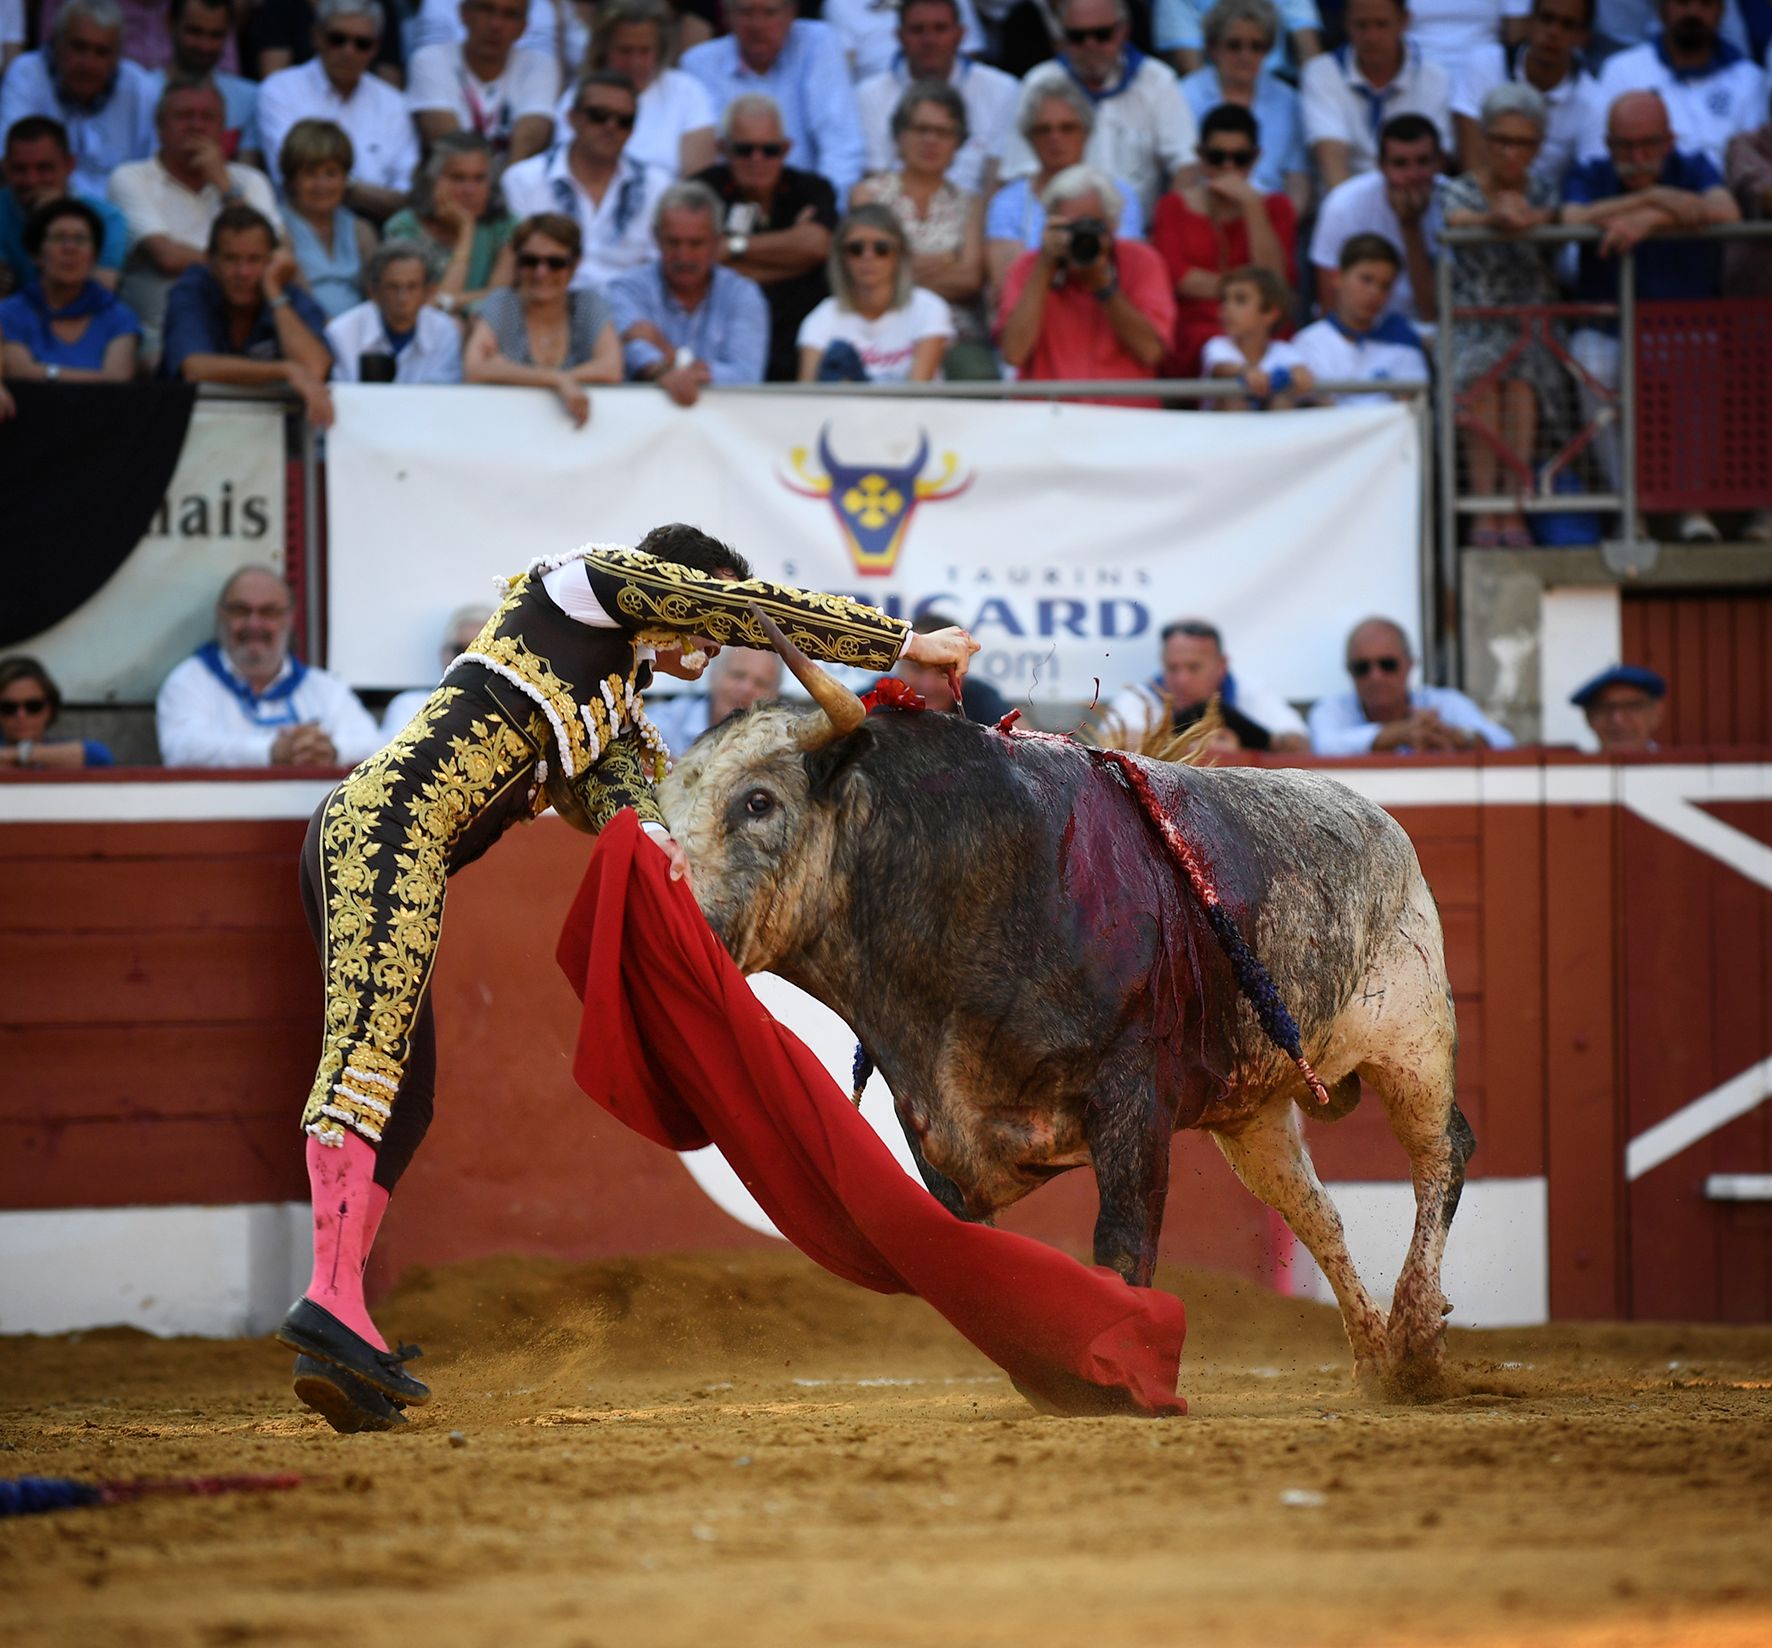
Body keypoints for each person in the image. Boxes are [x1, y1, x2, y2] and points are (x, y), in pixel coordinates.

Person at [271, 523, 979, 1431]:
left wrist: (678, 859)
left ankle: (339, 1324)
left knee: (406, 1099)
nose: (713, 644)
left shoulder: (608, 708)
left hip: (402, 849)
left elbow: (639, 816)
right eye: (707, 620)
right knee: (369, 1064)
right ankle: (329, 1301)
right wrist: (905, 643)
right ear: (677, 587)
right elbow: (747, 609)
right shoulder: (581, 586)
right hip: (381, 831)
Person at [1561, 89, 1738, 538]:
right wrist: (1659, 199)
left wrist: (1652, 220)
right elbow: (1572, 218)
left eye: (1648, 146)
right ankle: (1628, 505)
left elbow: (1727, 212)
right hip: (1608, 327)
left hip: (1680, 325)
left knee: (1696, 359)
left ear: (1669, 141)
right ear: (1608, 144)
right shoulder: (1592, 172)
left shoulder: (1693, 166)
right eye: (1624, 147)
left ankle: (1690, 506)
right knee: (1591, 364)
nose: (1637, 159)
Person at [1440, 82, 1565, 548]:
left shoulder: (1546, 191)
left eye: (1522, 143)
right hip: (1473, 322)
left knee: (1523, 379)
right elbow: (1455, 220)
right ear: (1484, 139)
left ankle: (1514, 506)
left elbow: (1565, 218)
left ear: (1538, 146)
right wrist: (1497, 220)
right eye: (1500, 140)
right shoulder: (1460, 190)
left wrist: (1535, 219)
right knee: (1482, 374)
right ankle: (1483, 507)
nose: (1510, 152)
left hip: (1531, 324)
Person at [108, 76, 284, 360]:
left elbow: (277, 256)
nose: (196, 126)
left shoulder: (250, 181)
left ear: (223, 129)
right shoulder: (130, 177)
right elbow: (168, 257)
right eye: (183, 116)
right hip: (162, 336)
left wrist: (225, 187)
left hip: (250, 336)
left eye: (207, 118)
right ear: (160, 127)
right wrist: (248, 264)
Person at [156, 565, 382, 768]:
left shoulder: (325, 688)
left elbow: (375, 746)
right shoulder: (189, 680)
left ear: (290, 618)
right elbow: (181, 749)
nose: (254, 623)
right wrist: (270, 751)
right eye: (241, 610)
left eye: (269, 612)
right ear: (220, 614)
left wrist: (331, 750)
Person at [997, 0, 1198, 219]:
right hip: (1054, 227)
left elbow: (1186, 164)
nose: (1090, 45)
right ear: (1061, 38)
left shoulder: (1157, 80)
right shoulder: (1039, 82)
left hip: (1140, 229)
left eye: (1102, 34)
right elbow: (1016, 172)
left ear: (1123, 31)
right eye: (1077, 37)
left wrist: (1166, 226)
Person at [995, 165, 1175, 404]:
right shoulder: (1027, 268)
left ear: (1112, 225)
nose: (1080, 237)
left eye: (1091, 225)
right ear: (1050, 225)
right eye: (1070, 227)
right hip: (1049, 414)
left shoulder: (1142, 262)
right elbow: (1013, 354)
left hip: (1124, 415)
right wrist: (1044, 268)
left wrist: (1104, 287)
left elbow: (1151, 351)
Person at [693, 94, 837, 384]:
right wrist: (793, 256)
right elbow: (700, 261)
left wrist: (735, 248)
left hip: (798, 343)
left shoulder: (812, 188)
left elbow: (817, 246)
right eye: (744, 149)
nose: (757, 159)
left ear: (786, 149)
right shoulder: (702, 189)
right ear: (722, 149)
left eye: (769, 150)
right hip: (720, 351)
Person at [852, 80, 991, 374]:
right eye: (920, 129)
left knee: (979, 374)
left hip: (955, 332)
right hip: (882, 327)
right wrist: (945, 261)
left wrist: (899, 265)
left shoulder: (970, 203)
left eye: (943, 132)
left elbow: (969, 278)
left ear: (959, 142)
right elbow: (863, 271)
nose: (931, 140)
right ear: (899, 134)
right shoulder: (868, 195)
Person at [161, 203, 337, 429]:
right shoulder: (193, 289)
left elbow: (314, 368)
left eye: (254, 260)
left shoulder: (286, 293)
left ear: (271, 261)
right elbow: (195, 368)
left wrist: (274, 292)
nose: (242, 272)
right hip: (189, 430)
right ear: (210, 260)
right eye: (230, 259)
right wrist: (285, 370)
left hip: (270, 435)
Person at [1152, 102, 1297, 375]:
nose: (1228, 167)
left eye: (1240, 158)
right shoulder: (1172, 207)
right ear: (1200, 155)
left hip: (1260, 329)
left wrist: (1252, 207)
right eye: (1216, 157)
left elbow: (1275, 281)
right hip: (1195, 332)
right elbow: (1178, 278)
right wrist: (1247, 293)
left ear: (1255, 157)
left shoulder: (1276, 207)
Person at [502, 69, 672, 292]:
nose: (611, 127)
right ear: (572, 118)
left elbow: (662, 268)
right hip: (548, 300)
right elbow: (515, 264)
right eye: (599, 116)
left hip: (630, 306)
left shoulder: (658, 186)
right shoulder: (522, 180)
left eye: (624, 121)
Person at [678, 0, 867, 200]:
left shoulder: (818, 42)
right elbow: (706, 163)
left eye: (769, 12)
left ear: (791, 13)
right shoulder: (698, 65)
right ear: (726, 15)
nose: (757, 25)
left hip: (809, 201)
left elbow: (841, 145)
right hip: (729, 201)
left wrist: (825, 208)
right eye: (745, 13)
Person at [256, 0, 420, 222]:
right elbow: (291, 178)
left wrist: (338, 185)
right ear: (316, 36)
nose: (348, 51)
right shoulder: (280, 90)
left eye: (362, 43)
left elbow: (407, 196)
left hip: (381, 227)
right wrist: (359, 190)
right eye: (337, 39)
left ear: (376, 48)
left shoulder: (395, 103)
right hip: (299, 223)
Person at [607, 180, 769, 404]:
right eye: (673, 242)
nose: (684, 256)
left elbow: (747, 376)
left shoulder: (742, 295)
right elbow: (635, 352)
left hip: (723, 421)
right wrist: (689, 371)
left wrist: (669, 356)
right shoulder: (628, 289)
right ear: (656, 238)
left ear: (717, 242)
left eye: (696, 244)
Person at [462, 210, 622, 425]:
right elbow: (474, 369)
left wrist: (509, 372)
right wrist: (557, 379)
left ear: (575, 264)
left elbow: (611, 368)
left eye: (555, 263)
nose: (541, 272)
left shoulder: (588, 303)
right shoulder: (503, 303)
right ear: (517, 262)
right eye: (530, 261)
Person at [985, 81, 1144, 294]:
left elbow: (1129, 272)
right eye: (1043, 130)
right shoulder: (1007, 202)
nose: (1055, 138)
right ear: (1029, 139)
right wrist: (1046, 258)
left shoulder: (1121, 195)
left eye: (1067, 128)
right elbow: (1006, 285)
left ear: (1086, 132)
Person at [855, 0, 1019, 196]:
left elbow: (1002, 181)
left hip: (979, 210)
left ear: (960, 35)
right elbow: (876, 177)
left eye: (940, 28)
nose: (929, 40)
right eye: (917, 30)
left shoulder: (1003, 90)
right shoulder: (867, 95)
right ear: (899, 36)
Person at [0, 0, 158, 198]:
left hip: (124, 209)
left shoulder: (141, 87)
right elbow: (10, 159)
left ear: (118, 56)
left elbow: (155, 174)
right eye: (79, 47)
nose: (88, 64)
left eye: (101, 52)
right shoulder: (27, 73)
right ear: (56, 43)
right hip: (41, 205)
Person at [1587, 0, 1767, 169]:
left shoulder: (1750, 79)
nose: (1693, 12)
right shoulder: (1623, 71)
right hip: (1642, 189)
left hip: (1727, 191)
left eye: (1705, 2)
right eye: (1682, 1)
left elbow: (1753, 164)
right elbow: (1601, 159)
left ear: (1721, 11)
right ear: (1661, 7)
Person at [552, 0, 718, 179]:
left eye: (645, 51)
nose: (635, 62)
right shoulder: (578, 95)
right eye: (625, 51)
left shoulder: (688, 92)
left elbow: (697, 179)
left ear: (660, 49)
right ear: (604, 48)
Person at [1298, 0, 1453, 190]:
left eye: (1381, 24)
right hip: (1345, 201)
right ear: (1345, 23)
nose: (1371, 37)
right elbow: (1332, 163)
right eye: (1361, 25)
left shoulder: (1435, 78)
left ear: (1404, 21)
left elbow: (1432, 164)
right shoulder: (1321, 73)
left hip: (1415, 198)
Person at [1309, 111, 1444, 327]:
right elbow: (1330, 305)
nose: (1413, 174)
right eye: (1400, 163)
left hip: (1431, 331)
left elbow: (1433, 313)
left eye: (1423, 161)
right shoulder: (1342, 205)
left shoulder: (1455, 202)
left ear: (1440, 162)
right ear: (1381, 166)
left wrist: (1411, 227)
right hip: (1357, 330)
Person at [1452, 0, 1603, 189]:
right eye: (1546, 19)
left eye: (1567, 24)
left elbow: (1587, 183)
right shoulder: (1484, 64)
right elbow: (1472, 166)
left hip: (1550, 205)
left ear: (1584, 37)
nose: (1553, 32)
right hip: (1479, 198)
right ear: (1529, 21)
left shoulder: (1595, 101)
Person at [1309, 616, 1515, 754]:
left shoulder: (1446, 703)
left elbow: (1505, 743)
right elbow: (1324, 747)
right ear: (1349, 671)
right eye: (1362, 667)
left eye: (1388, 665)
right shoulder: (1331, 710)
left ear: (1411, 664)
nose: (1375, 676)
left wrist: (1457, 737)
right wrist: (1399, 734)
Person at [1176, 0, 1310, 211]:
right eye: (1234, 45)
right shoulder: (1184, 96)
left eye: (1256, 47)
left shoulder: (1289, 101)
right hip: (1203, 213)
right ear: (1213, 48)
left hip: (1269, 216)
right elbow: (1182, 176)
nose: (1245, 56)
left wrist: (1283, 223)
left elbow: (1297, 181)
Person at [797, 202, 955, 380]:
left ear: (900, 254)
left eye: (881, 248)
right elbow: (809, 392)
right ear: (841, 257)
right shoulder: (822, 317)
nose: (868, 256)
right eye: (856, 249)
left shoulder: (928, 307)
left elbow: (918, 388)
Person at [1103, 616, 1309, 751]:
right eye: (1172, 668)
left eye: (1194, 668)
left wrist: (1248, 743)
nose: (1182, 679)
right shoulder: (1140, 696)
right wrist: (1191, 747)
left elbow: (1300, 745)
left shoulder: (1250, 691)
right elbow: (1110, 745)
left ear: (1222, 665)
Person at [0, 197, 141, 383]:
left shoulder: (119, 316)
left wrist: (45, 372)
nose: (70, 248)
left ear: (95, 256)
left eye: (80, 239)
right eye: (59, 238)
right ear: (36, 254)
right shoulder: (9, 312)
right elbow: (18, 370)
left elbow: (117, 380)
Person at [407, 0, 559, 165]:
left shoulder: (539, 64)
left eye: (510, 15)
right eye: (486, 9)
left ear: (524, 27)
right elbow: (448, 143)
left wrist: (508, 179)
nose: (496, 24)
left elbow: (534, 131)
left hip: (510, 178)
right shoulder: (431, 59)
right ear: (463, 13)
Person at [383, 133, 516, 320]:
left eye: (479, 178)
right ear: (432, 182)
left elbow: (499, 300)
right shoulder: (404, 228)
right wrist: (467, 230)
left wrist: (446, 301)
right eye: (458, 178)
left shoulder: (506, 227)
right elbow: (432, 317)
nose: (470, 190)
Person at [1292, 232, 1430, 404]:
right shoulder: (1308, 343)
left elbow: (1413, 408)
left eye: (1385, 286)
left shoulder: (1403, 340)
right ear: (1337, 277)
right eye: (1366, 279)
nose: (1374, 293)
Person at [0, 116, 130, 295]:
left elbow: (103, 291)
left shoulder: (107, 218)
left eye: (44, 168)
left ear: (69, 165)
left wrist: (54, 216)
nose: (32, 180)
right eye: (20, 169)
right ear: (5, 168)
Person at [144, 0, 263, 168]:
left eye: (216, 35)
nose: (204, 46)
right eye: (194, 32)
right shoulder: (142, 91)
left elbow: (247, 172)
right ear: (170, 23)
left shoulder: (248, 97)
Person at [279, 118, 378, 320]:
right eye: (310, 174)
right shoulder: (278, 227)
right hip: (305, 329)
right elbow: (299, 300)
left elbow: (378, 295)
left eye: (331, 173)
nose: (321, 185)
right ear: (292, 180)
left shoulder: (361, 230)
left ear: (345, 178)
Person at [326, 238, 464, 381]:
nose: (403, 297)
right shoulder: (342, 333)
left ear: (428, 291)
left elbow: (443, 391)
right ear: (373, 291)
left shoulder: (444, 331)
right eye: (392, 287)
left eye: (412, 287)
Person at [1200, 264, 1313, 407]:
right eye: (1224, 300)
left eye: (1240, 300)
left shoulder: (1284, 350)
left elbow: (1301, 372)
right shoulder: (1217, 345)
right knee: (1234, 400)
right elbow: (1221, 367)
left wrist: (1299, 375)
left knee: (1282, 401)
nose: (1226, 307)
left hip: (1273, 419)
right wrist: (1246, 372)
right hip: (1223, 420)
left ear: (1271, 313)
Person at [647, 640, 784, 756]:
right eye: (738, 675)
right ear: (713, 675)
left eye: (761, 683)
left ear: (775, 694)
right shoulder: (660, 724)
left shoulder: (781, 748)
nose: (746, 689)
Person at [380, 602, 496, 734]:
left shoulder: (512, 710)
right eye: (462, 651)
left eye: (482, 653)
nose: (470, 660)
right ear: (444, 654)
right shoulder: (409, 706)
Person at [887, 610, 1012, 723]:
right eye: (917, 669)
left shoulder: (981, 699)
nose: (928, 686)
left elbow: (1017, 734)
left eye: (943, 672)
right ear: (897, 663)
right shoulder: (880, 698)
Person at [1157, 0, 1322, 79]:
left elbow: (1310, 55)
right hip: (1214, 88)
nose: (1245, 56)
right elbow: (1191, 70)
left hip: (1277, 82)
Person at [0, 655, 115, 769]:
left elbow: (100, 756)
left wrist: (17, 755)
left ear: (50, 708)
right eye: (8, 708)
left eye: (33, 706)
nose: (21, 715)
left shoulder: (62, 751)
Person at [1571, 662, 1666, 752]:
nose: (1618, 720)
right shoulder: (1577, 764)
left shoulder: (1671, 764)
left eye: (1632, 707)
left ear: (1656, 713)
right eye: (1605, 708)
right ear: (1589, 717)